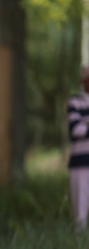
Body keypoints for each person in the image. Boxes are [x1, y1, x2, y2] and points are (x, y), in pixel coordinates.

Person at [66, 66, 89, 231]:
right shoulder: (74, 102)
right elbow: (75, 130)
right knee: (80, 213)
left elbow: (82, 130)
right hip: (80, 162)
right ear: (83, 81)